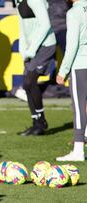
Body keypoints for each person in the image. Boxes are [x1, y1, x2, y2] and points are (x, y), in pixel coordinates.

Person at [14, 0, 56, 136]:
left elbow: (45, 25)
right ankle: (36, 123)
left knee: (29, 82)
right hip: (31, 48)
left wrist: (31, 50)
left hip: (44, 46)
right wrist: (23, 49)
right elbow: (23, 26)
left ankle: (41, 122)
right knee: (27, 85)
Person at [56, 0, 87, 161]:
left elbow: (72, 45)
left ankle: (78, 150)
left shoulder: (74, 13)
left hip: (80, 64)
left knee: (79, 106)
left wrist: (63, 71)